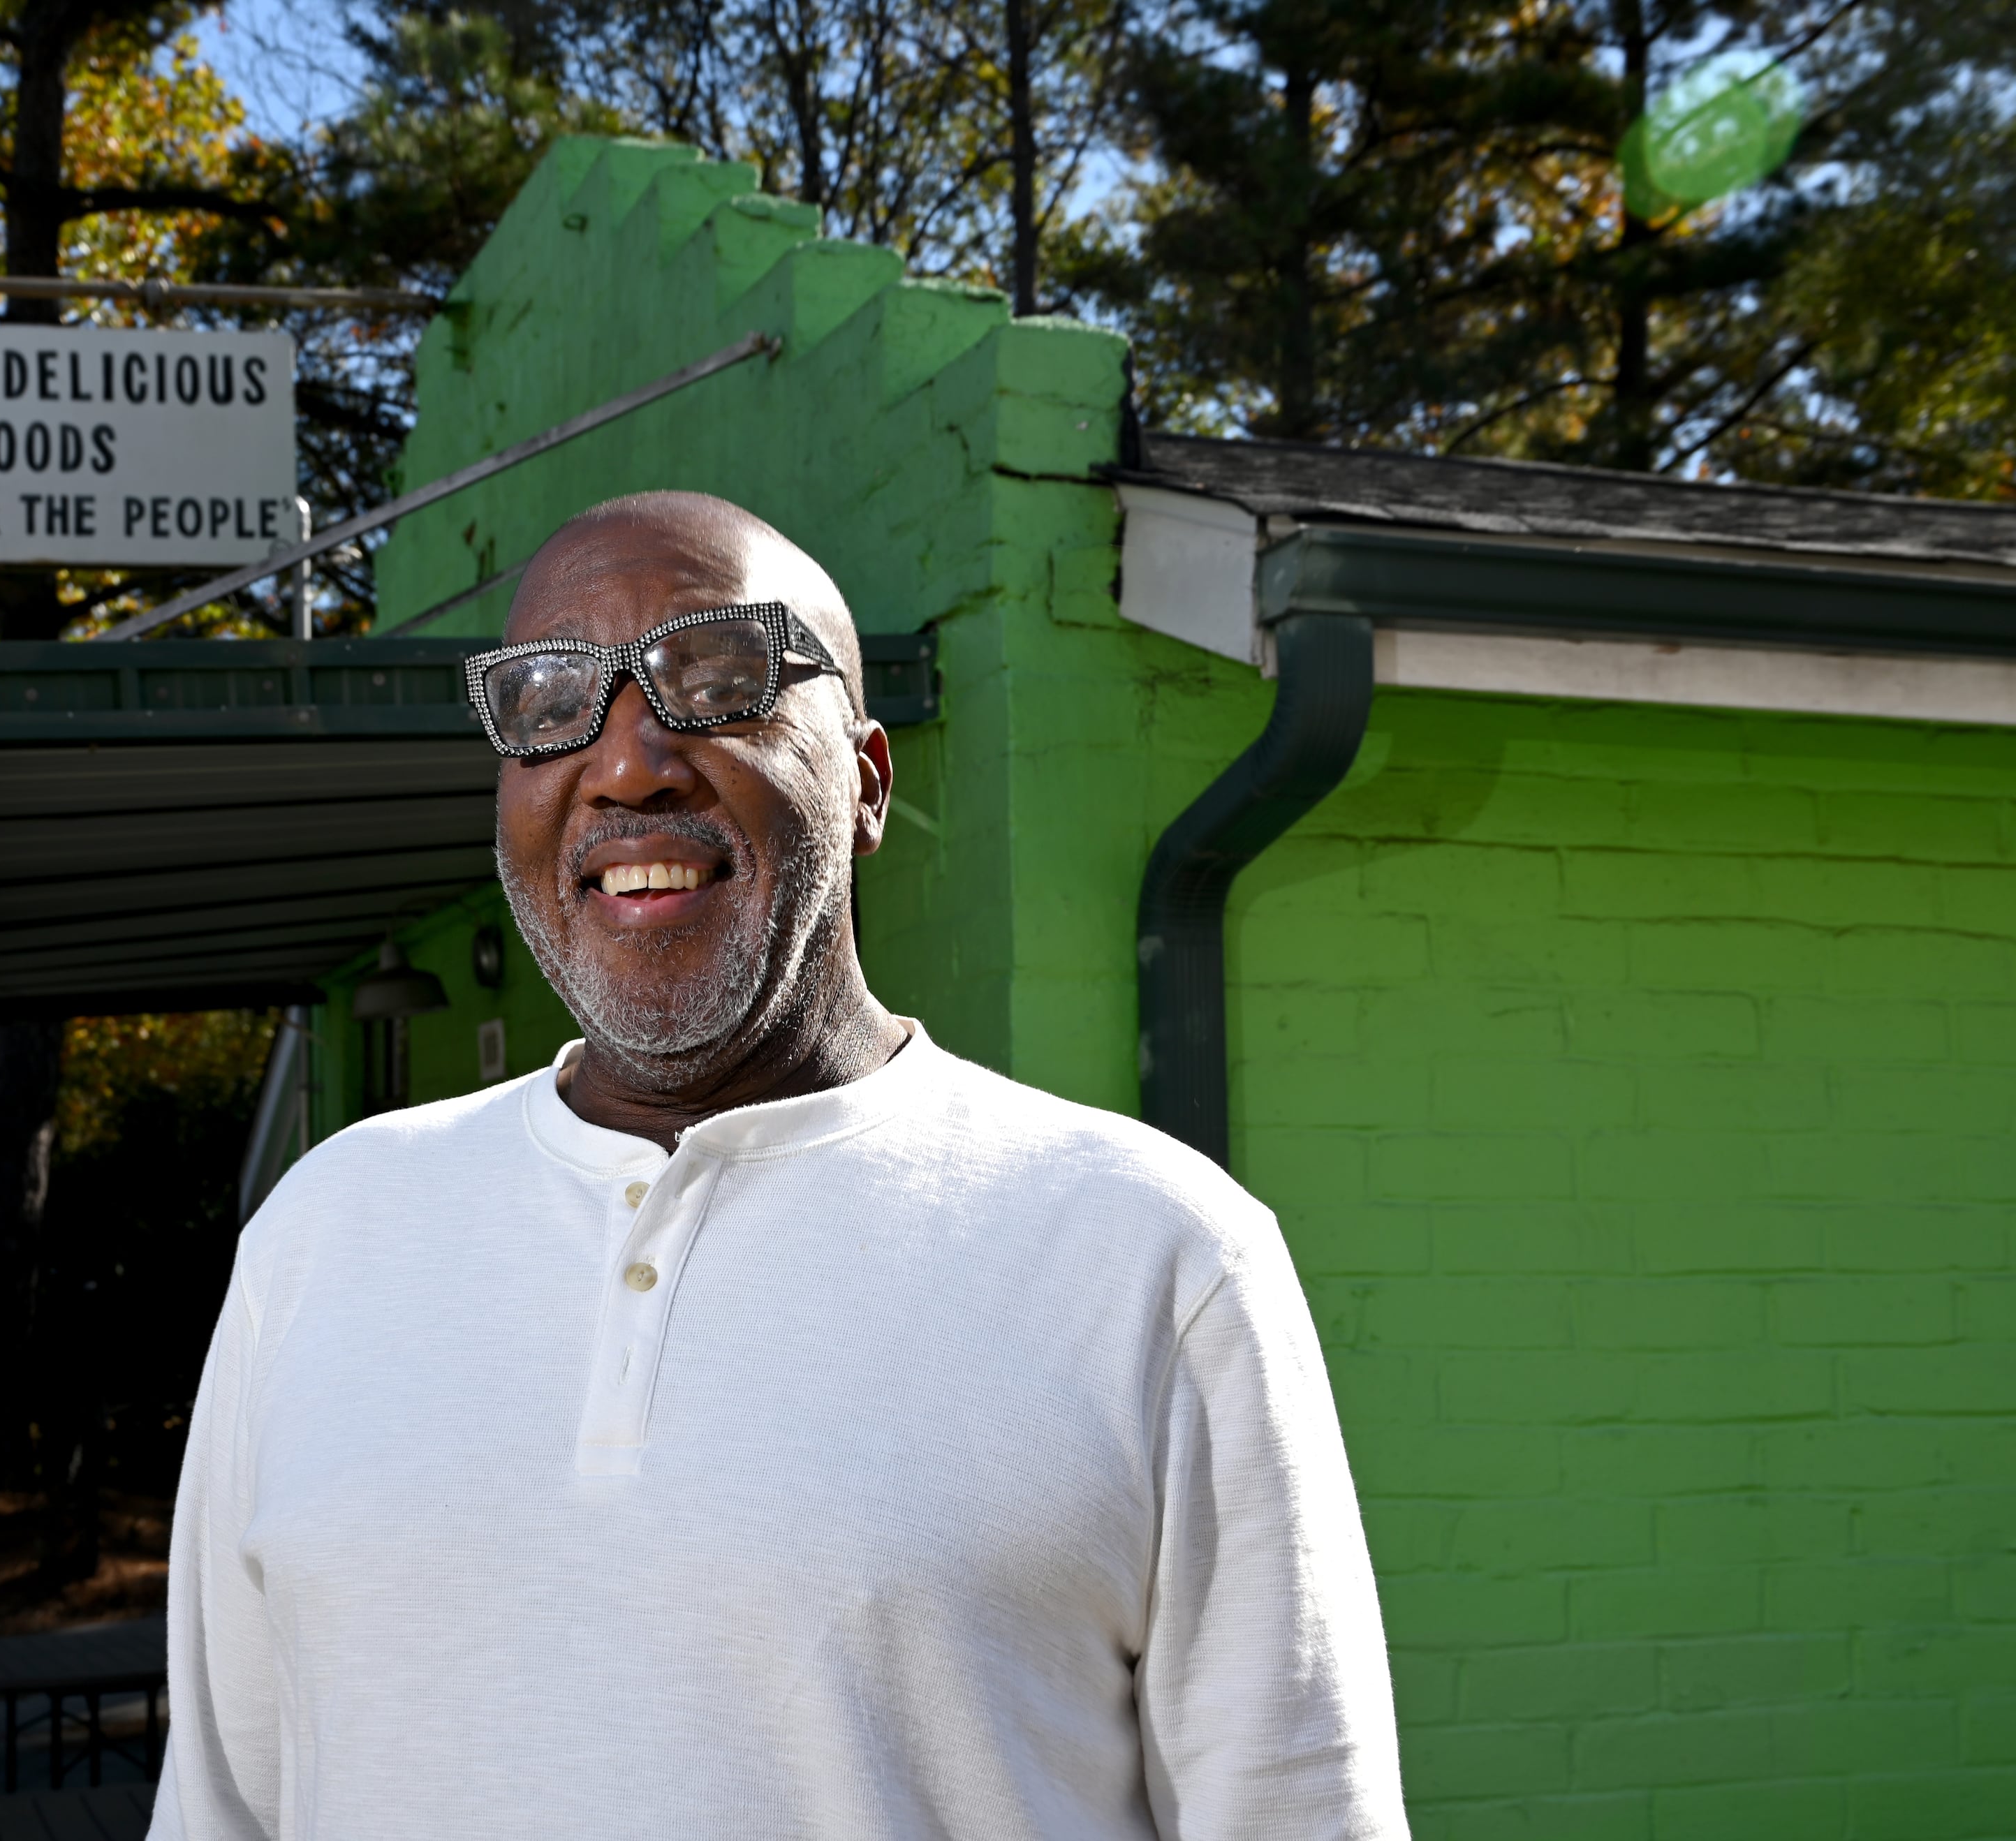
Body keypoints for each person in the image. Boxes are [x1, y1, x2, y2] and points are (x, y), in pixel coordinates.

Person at [151, 491, 1406, 1841]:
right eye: (549, 699)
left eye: (719, 680)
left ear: (866, 783)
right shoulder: (324, 1232)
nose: (627, 765)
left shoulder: (1155, 1254)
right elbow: (223, 1808)